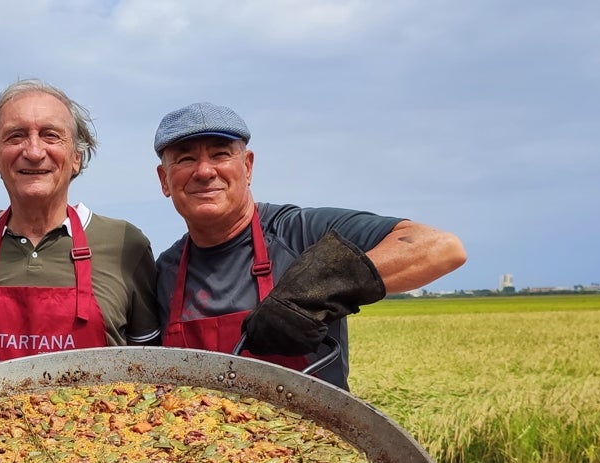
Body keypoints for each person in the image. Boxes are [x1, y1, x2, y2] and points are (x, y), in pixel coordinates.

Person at [152, 102, 467, 390]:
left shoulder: (302, 233)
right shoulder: (164, 272)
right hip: (199, 444)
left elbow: (440, 247)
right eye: (186, 159)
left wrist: (314, 294)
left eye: (220, 154)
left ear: (247, 167)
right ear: (164, 180)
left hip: (310, 445)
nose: (205, 171)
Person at [0, 79, 160, 368]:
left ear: (76, 158)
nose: (34, 152)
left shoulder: (126, 246)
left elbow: (151, 372)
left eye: (51, 136)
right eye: (15, 137)